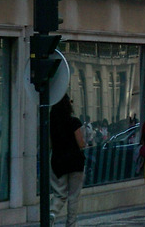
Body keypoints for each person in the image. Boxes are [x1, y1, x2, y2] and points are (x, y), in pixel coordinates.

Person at [49, 95, 86, 227]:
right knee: (73, 196)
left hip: (58, 161)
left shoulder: (51, 124)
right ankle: (71, 224)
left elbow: (49, 144)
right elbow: (81, 143)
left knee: (59, 194)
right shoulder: (74, 122)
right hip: (75, 161)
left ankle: (52, 213)